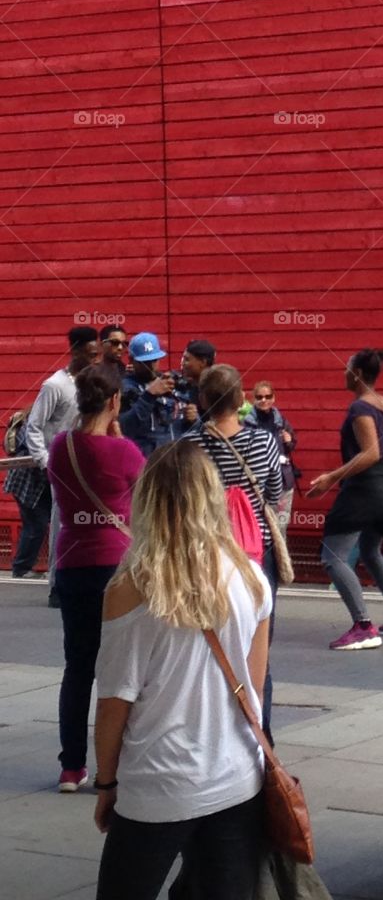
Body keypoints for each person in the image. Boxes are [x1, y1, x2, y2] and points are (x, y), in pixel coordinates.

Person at [92, 442, 271, 900]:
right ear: (211, 497)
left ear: (147, 501)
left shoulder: (131, 588)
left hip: (158, 782)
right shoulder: (250, 577)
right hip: (236, 778)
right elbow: (253, 687)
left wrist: (107, 781)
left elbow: (114, 702)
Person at [47, 363, 143, 793]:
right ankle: (115, 766)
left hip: (71, 562)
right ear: (115, 402)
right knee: (121, 669)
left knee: (78, 666)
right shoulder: (125, 452)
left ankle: (71, 767)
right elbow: (144, 497)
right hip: (116, 565)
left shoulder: (60, 446)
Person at [186, 365, 282, 732]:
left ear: (204, 400)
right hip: (257, 556)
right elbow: (273, 495)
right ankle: (261, 735)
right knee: (259, 650)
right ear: (241, 400)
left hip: (208, 557)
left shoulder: (191, 446)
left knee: (211, 646)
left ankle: (216, 730)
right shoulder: (264, 442)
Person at [306, 349, 383, 650]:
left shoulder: (360, 409)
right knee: (370, 551)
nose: (343, 373)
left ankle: (364, 626)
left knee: (333, 556)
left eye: (347, 368)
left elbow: (371, 453)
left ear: (358, 374)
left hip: (361, 493)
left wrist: (331, 478)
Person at [6, 326, 99, 599]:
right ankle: (57, 588)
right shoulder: (55, 386)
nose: (95, 360)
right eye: (90, 354)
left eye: (97, 355)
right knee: (56, 528)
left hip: (81, 466)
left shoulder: (90, 385)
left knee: (77, 526)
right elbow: (33, 427)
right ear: (75, 351)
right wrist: (46, 463)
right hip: (55, 467)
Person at [244, 381, 299, 535]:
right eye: (259, 397)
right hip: (259, 482)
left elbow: (292, 445)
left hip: (283, 480)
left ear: (273, 398)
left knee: (281, 525)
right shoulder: (247, 424)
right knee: (261, 527)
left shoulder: (281, 420)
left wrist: (289, 441)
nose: (264, 400)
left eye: (268, 396)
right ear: (253, 399)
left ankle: (280, 558)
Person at [119, 332, 177, 457]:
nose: (151, 366)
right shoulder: (124, 388)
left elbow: (178, 424)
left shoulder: (168, 383)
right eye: (145, 362)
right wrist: (149, 396)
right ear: (131, 360)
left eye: (154, 360)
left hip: (169, 458)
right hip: (141, 461)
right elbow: (124, 428)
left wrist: (192, 420)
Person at [173, 339, 216, 436]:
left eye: (187, 359)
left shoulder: (215, 391)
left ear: (202, 363)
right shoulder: (187, 385)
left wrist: (195, 421)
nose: (183, 363)